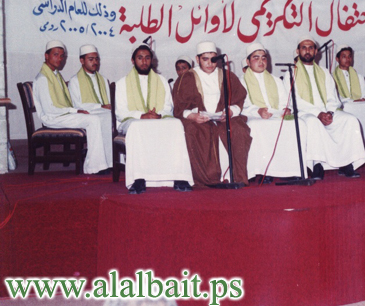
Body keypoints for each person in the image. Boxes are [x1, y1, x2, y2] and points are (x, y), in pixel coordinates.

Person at [115, 43, 193, 194]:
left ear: (152, 60)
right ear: (133, 60)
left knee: (176, 124)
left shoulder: (162, 81)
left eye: (147, 58)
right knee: (137, 126)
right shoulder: (122, 83)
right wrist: (142, 116)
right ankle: (138, 179)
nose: (144, 61)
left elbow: (168, 106)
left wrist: (158, 115)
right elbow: (121, 112)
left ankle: (179, 176)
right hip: (131, 121)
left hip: (158, 118)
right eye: (140, 58)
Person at [284, 36, 365, 179]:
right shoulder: (290, 73)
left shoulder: (324, 72)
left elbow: (332, 97)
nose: (307, 51)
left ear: (316, 51)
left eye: (311, 48)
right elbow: (294, 100)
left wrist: (329, 112)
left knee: (350, 120)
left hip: (327, 112)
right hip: (305, 113)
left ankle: (346, 163)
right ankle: (317, 165)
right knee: (313, 122)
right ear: (298, 51)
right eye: (304, 48)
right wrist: (318, 113)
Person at [173, 41, 252, 186]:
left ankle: (238, 177)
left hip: (223, 118)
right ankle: (210, 179)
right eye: (205, 59)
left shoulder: (226, 75)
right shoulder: (188, 77)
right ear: (197, 59)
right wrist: (192, 116)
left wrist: (231, 111)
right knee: (196, 131)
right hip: (199, 119)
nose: (210, 63)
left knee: (239, 130)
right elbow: (179, 106)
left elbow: (239, 98)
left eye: (213, 59)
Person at [32, 40, 111, 175]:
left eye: (61, 55)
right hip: (52, 118)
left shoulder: (55, 75)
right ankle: (93, 166)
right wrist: (76, 111)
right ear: (46, 56)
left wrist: (75, 111)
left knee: (105, 117)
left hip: (61, 115)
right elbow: (50, 110)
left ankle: (106, 162)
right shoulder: (43, 79)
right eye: (56, 55)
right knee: (93, 120)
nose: (60, 59)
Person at [240, 42, 309, 182]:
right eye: (256, 58)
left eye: (263, 58)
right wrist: (258, 111)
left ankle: (292, 169)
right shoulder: (242, 81)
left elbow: (285, 101)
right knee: (256, 126)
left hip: (276, 115)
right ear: (248, 61)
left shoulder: (276, 80)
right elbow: (242, 105)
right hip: (254, 116)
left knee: (299, 124)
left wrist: (286, 109)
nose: (261, 61)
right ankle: (263, 171)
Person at [66, 44, 113, 174]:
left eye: (96, 59)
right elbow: (76, 105)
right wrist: (99, 106)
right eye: (91, 59)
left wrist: (106, 107)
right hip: (86, 114)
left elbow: (108, 103)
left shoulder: (103, 79)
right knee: (99, 119)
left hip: (103, 112)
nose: (95, 62)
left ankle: (111, 162)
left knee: (111, 117)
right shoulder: (75, 81)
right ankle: (96, 165)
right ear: (82, 61)